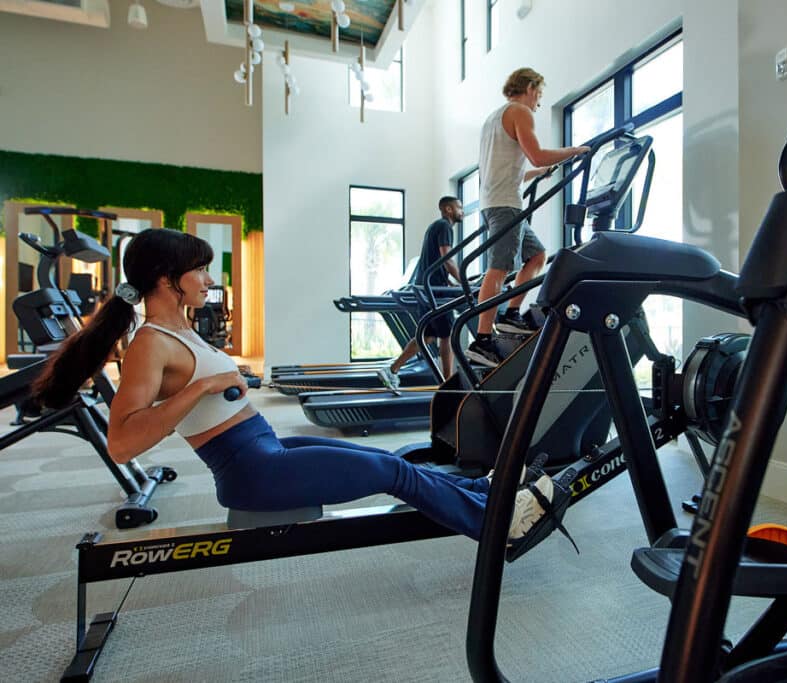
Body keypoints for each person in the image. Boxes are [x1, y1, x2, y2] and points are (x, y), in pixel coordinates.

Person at [32, 228, 570, 559]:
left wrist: (228, 380)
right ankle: (496, 526)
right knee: (392, 474)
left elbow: (213, 390)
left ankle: (492, 497)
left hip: (266, 446)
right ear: (168, 279)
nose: (206, 277)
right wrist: (204, 385)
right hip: (251, 473)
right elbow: (122, 443)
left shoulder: (182, 330)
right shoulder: (151, 343)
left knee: (385, 458)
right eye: (198, 269)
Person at [466, 67, 590, 367]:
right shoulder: (521, 112)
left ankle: (510, 314)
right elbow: (536, 154)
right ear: (531, 87)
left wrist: (540, 173)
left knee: (536, 256)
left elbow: (512, 168)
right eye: (540, 95)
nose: (539, 102)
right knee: (498, 270)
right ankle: (482, 341)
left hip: (496, 202)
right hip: (506, 205)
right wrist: (574, 151)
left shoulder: (493, 118)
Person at [377, 196, 463, 390]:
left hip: (428, 286)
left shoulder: (435, 227)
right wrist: (463, 282)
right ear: (448, 209)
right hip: (434, 292)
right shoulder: (444, 227)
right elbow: (447, 259)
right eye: (459, 207)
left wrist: (449, 282)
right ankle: (447, 383)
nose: (462, 211)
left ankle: (392, 369)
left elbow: (437, 263)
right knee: (446, 335)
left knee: (427, 336)